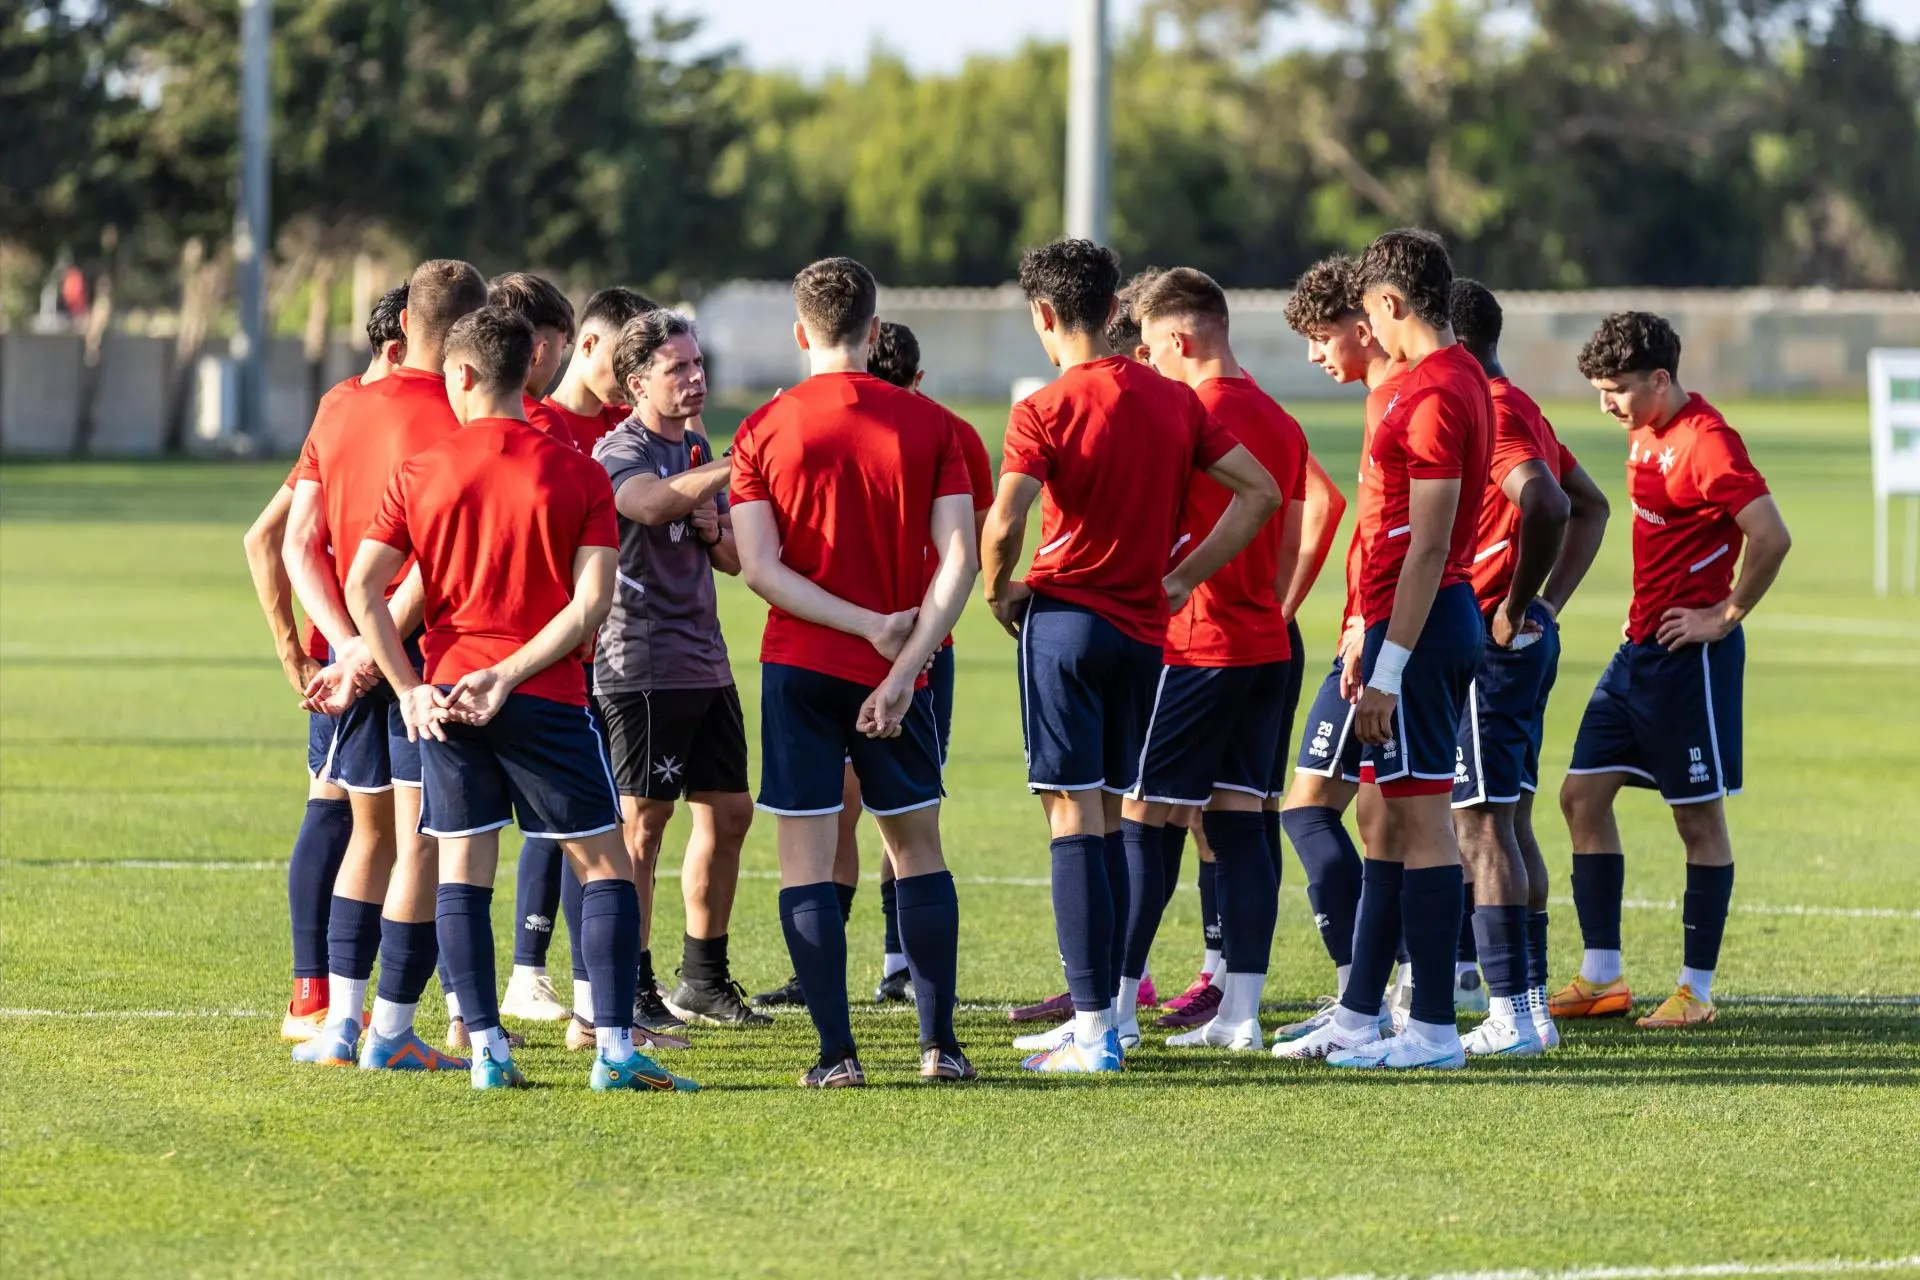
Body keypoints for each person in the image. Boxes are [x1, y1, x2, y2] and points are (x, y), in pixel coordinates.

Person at [344, 304, 695, 1094]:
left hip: (445, 698)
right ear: (530, 370)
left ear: (462, 375)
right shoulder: (576, 469)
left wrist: (407, 689)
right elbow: (591, 604)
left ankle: (488, 1053)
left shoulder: (422, 469)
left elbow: (366, 589)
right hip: (547, 697)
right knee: (604, 865)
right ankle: (611, 1048)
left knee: (464, 869)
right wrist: (510, 675)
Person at [982, 238, 1279, 1073]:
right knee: (1111, 817)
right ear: (1115, 309)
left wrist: (996, 588)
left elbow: (1006, 520)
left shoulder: (1043, 407)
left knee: (1073, 818)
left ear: (1045, 316)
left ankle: (1091, 1031)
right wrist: (1182, 576)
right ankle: (1107, 1018)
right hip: (1146, 634)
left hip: (1067, 622)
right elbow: (1261, 492)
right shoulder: (1175, 402)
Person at [730, 257, 980, 1087]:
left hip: (800, 666)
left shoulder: (761, 430)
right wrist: (904, 663)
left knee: (805, 858)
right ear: (875, 333)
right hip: (904, 673)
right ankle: (939, 1047)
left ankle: (836, 1055)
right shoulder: (930, 425)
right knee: (916, 849)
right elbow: (959, 562)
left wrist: (860, 625)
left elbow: (761, 570)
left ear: (801, 333)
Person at [1275, 228, 1491, 1071]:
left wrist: (1388, 671)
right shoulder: (1442, 378)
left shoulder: (1436, 391)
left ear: (1391, 306)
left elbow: (1430, 547)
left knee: (1420, 822)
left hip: (1428, 625)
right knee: (1388, 825)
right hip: (1406, 623)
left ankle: (1434, 1027)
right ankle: (1363, 1012)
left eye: (1368, 313)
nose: (1365, 330)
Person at [1553, 311, 1790, 1029]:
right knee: (1579, 797)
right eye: (1599, 389)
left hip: (1693, 663)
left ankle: (1695, 991)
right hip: (1638, 652)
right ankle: (1603, 977)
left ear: (1662, 379)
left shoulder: (1708, 444)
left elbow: (1771, 536)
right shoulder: (1644, 432)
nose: (1608, 404)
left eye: (1618, 389)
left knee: (1696, 820)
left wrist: (1725, 615)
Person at [283, 259, 489, 1072]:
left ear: (403, 323)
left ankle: (337, 1025)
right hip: (422, 661)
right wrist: (376, 654)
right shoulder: (464, 416)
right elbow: (440, 562)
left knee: (365, 839)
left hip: (352, 656)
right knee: (423, 847)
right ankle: (395, 1035)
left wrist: (343, 646)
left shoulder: (341, 404)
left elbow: (301, 542)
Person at [1114, 266, 1307, 1053]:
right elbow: (1293, 532)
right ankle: (1240, 1016)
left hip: (1194, 646)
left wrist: (1177, 580)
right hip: (1266, 643)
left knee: (1141, 818)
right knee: (1238, 828)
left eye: (1154, 347)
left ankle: (1113, 1012)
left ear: (1181, 339)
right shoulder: (1283, 420)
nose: (1149, 362)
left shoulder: (1188, 416)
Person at [584, 307, 766, 1034]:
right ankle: (628, 988)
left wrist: (716, 521)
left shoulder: (696, 446)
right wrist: (736, 468)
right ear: (638, 383)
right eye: (678, 370)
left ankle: (703, 979)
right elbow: (647, 503)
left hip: (704, 661)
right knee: (642, 829)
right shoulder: (617, 450)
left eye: (698, 366)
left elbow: (729, 559)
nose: (695, 380)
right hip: (641, 667)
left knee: (730, 813)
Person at [241, 282, 405, 1042]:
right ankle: (321, 999)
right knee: (347, 813)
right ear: (401, 343)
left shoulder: (340, 405)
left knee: (351, 813)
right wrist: (321, 647)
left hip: (347, 644)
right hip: (364, 645)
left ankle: (328, 999)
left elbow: (269, 535)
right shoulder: (356, 411)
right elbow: (268, 537)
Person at [1267, 255, 1403, 1045]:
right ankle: (1375, 997)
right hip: (1375, 630)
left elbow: (1408, 538)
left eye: (1323, 339)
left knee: (1312, 810)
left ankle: (1367, 998)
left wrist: (1367, 628)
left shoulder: (1401, 397)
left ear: (1364, 325)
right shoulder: (1381, 397)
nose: (1317, 357)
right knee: (1386, 821)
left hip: (1384, 638)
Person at [1439, 279, 1573, 1058]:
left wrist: (1519, 604)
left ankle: (1510, 1015)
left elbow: (1551, 503)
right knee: (1510, 822)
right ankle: (1530, 1011)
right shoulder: (1519, 402)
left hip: (1494, 650)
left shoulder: (1492, 409)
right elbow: (1590, 502)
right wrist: (1549, 602)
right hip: (1517, 646)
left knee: (1481, 825)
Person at [476, 270, 579, 1027]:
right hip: (542, 659)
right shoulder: (550, 436)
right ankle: (602, 1021)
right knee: (586, 836)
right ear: (540, 347)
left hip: (442, 665)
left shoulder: (454, 434)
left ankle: (454, 1020)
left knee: (451, 849)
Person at [531, 286, 654, 453]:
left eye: (640, 365)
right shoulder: (539, 429)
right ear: (589, 345)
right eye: (623, 361)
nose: (631, 376)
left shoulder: (638, 422)